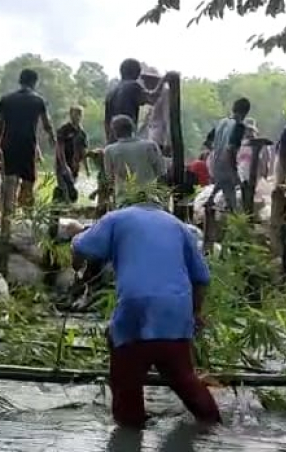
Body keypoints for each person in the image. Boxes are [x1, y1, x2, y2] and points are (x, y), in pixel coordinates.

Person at [70, 194, 221, 429]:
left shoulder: (116, 218)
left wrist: (77, 266)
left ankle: (131, 429)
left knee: (126, 380)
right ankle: (213, 424)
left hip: (136, 307)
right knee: (184, 376)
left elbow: (80, 245)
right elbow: (201, 278)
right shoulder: (178, 226)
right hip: (176, 308)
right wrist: (196, 313)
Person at [0, 69, 55, 208]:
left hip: (9, 145)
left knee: (9, 181)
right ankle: (25, 216)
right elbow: (47, 124)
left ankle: (7, 216)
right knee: (28, 182)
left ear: (20, 81)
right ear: (34, 82)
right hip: (27, 145)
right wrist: (52, 138)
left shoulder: (6, 100)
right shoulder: (38, 100)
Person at [103, 115, 166, 204]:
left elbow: (109, 178)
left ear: (114, 132)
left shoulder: (109, 150)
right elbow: (161, 172)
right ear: (133, 129)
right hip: (149, 199)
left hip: (124, 200)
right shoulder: (150, 146)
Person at [104, 59, 165, 144]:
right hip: (127, 137)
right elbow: (152, 99)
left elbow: (106, 122)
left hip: (113, 139)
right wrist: (163, 81)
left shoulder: (111, 91)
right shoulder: (133, 86)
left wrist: (108, 140)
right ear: (136, 72)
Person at [206, 98, 251, 212]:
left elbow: (207, 142)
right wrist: (233, 169)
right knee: (232, 200)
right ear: (246, 112)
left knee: (223, 183)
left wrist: (216, 151)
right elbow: (230, 150)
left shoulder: (221, 123)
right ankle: (235, 220)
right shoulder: (239, 126)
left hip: (214, 162)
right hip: (226, 164)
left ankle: (210, 200)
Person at [56, 105, 90, 179]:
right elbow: (59, 149)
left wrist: (87, 169)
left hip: (75, 166)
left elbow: (84, 152)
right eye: (75, 114)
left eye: (79, 114)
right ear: (70, 115)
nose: (77, 117)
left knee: (72, 188)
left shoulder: (82, 133)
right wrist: (64, 165)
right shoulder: (63, 130)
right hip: (63, 165)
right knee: (65, 188)